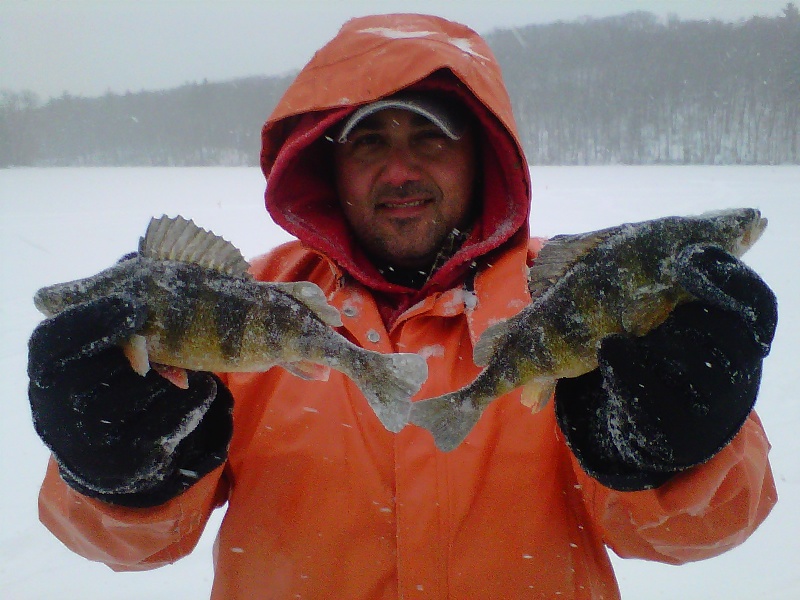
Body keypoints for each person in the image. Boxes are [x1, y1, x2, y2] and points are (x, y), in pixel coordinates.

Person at [28, 13, 778, 600]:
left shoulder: (568, 297)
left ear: (482, 154)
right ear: (328, 163)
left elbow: (700, 533)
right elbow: (125, 545)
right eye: (368, 141)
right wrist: (111, 469)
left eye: (430, 135)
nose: (399, 168)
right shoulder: (252, 304)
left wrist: (682, 448)